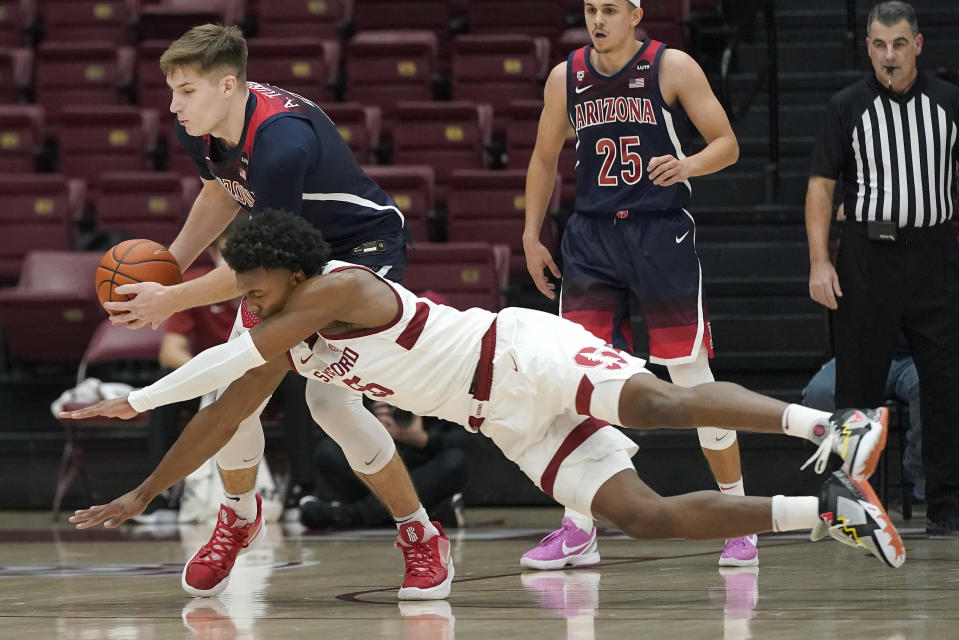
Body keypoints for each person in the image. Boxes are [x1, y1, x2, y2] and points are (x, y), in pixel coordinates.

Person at [63, 210, 906, 572]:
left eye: (250, 287)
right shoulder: (284, 333)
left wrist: (136, 400)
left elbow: (226, 361)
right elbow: (222, 411)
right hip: (502, 417)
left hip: (519, 355)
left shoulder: (334, 289)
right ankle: (830, 513)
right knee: (640, 515)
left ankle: (829, 427)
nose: (242, 302)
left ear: (288, 272)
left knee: (654, 402)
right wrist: (146, 488)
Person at [97, 24, 450, 599]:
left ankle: (420, 532)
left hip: (356, 253)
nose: (173, 104)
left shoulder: (282, 142)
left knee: (330, 401)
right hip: (288, 252)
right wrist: (169, 269)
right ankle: (238, 514)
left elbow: (261, 268)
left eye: (185, 90)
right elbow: (221, 191)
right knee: (230, 387)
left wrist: (169, 299)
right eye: (171, 89)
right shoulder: (203, 126)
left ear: (228, 85)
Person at [522, 0, 753, 568]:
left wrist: (690, 165)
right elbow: (544, 157)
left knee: (691, 377)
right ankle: (578, 527)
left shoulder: (672, 67)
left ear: (635, 13)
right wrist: (531, 235)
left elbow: (727, 143)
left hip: (659, 234)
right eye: (589, 9)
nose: (597, 20)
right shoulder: (566, 76)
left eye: (608, 10)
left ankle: (738, 517)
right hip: (592, 238)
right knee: (576, 378)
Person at [805, 1, 959, 536]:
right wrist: (820, 260)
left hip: (934, 257)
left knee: (944, 384)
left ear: (917, 44)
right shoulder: (846, 106)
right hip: (867, 258)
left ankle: (946, 505)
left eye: (898, 44)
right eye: (878, 44)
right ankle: (849, 505)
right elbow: (821, 187)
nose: (888, 55)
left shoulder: (948, 103)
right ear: (867, 46)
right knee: (857, 388)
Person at [300, 398, 474, 530]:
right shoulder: (360, 379)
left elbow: (466, 442)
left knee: (456, 462)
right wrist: (368, 427)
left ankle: (353, 515)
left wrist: (423, 439)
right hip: (373, 467)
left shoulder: (434, 383)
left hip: (421, 469)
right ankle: (428, 514)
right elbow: (327, 433)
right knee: (327, 451)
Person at [802, 336, 924, 499]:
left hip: (925, 354)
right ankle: (848, 485)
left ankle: (923, 475)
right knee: (820, 393)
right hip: (862, 353)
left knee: (932, 388)